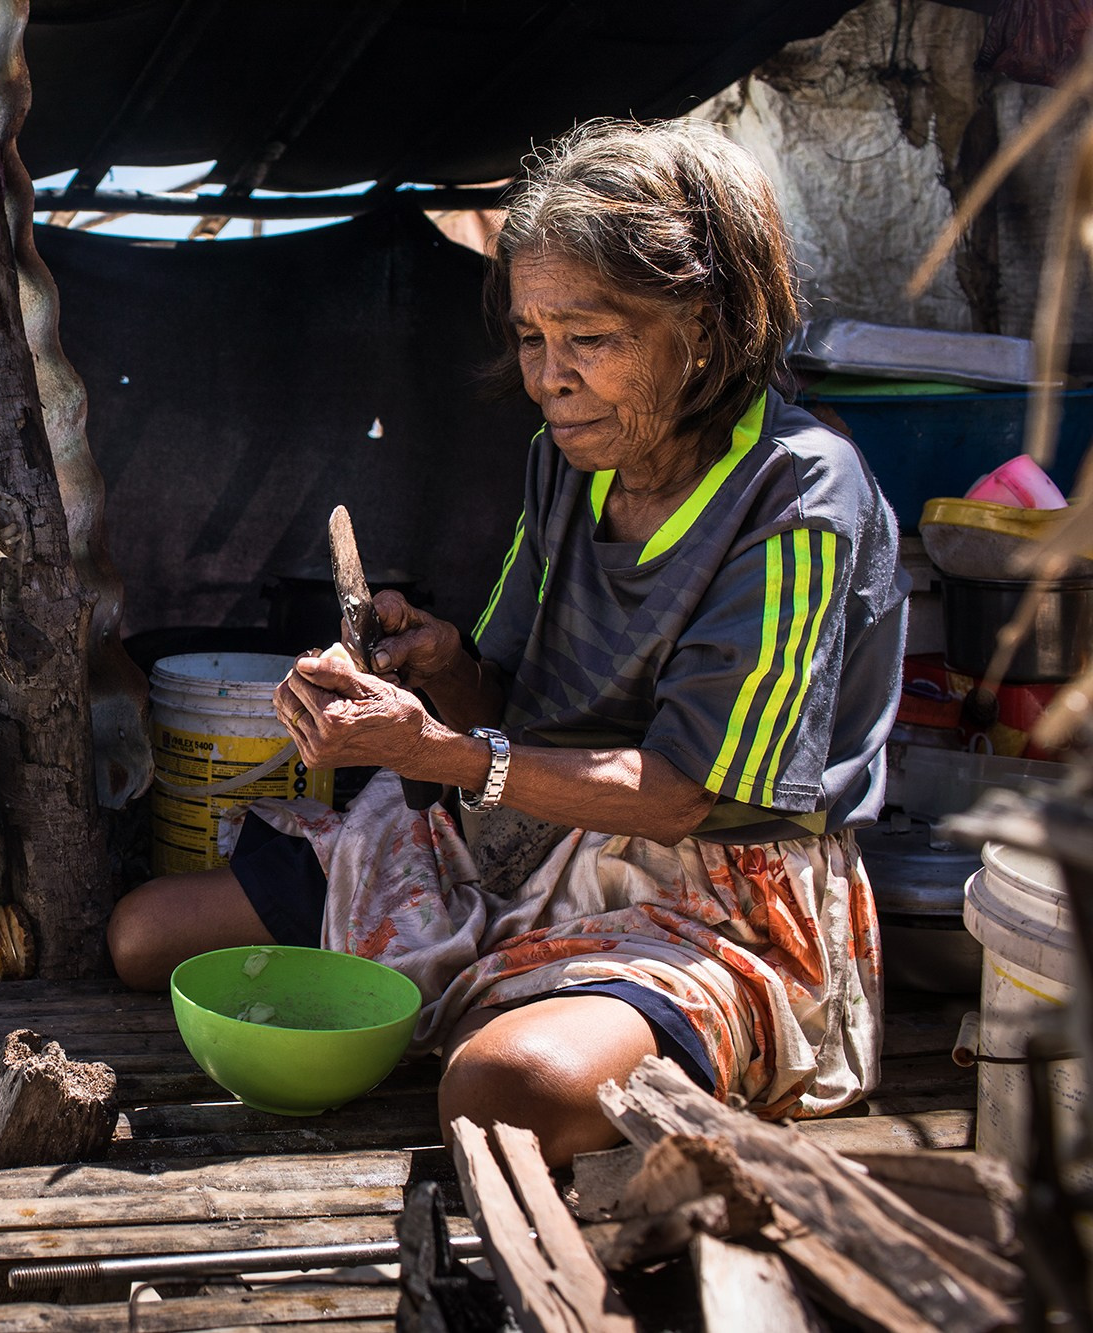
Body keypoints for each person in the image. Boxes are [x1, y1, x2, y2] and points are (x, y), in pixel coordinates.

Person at [107, 118, 906, 1166]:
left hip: (717, 894)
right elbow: (502, 708)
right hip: (525, 836)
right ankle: (489, 980)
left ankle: (542, 1008)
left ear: (703, 325)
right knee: (144, 937)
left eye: (588, 337)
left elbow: (678, 793)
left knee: (499, 1086)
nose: (547, 377)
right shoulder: (567, 460)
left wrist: (431, 753)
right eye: (531, 337)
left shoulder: (796, 492)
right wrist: (439, 668)